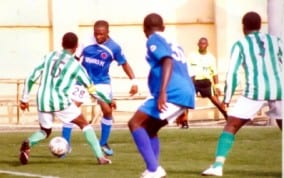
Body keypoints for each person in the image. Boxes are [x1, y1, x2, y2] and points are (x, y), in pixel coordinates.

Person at [202, 11, 283, 176]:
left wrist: (227, 98)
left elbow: (233, 73)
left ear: (243, 27)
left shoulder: (241, 44)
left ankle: (218, 166)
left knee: (231, 125)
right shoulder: (276, 41)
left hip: (254, 91)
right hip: (280, 89)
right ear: (260, 26)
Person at [18, 32, 112, 165]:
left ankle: (29, 144)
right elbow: (92, 89)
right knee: (85, 125)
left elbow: (31, 77)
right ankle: (100, 157)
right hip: (60, 101)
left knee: (45, 130)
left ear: (62, 44)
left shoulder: (49, 56)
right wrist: (108, 100)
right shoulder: (76, 66)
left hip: (42, 99)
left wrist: (24, 99)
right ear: (76, 47)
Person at [128, 13, 195, 178]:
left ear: (144, 29)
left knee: (135, 123)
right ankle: (153, 168)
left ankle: (154, 169)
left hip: (172, 91)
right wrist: (183, 107)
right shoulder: (175, 44)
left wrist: (163, 92)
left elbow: (167, 62)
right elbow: (187, 72)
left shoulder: (153, 39)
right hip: (185, 92)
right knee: (150, 128)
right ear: (163, 27)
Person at [61, 20, 138, 156]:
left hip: (101, 82)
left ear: (107, 33)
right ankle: (64, 145)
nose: (98, 37)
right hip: (84, 80)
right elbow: (76, 59)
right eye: (96, 34)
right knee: (70, 110)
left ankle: (103, 142)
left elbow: (125, 64)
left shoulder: (114, 47)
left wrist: (134, 82)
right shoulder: (86, 42)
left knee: (107, 110)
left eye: (101, 34)